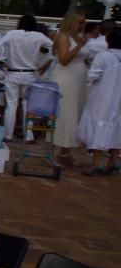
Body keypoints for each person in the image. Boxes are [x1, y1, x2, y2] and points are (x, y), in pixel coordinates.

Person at [0, 15, 53, 141]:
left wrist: (1, 61)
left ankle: (8, 134)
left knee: (11, 105)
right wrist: (48, 61)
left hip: (13, 72)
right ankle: (28, 135)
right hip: (30, 74)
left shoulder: (12, 34)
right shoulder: (39, 36)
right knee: (27, 105)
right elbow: (54, 46)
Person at [77, 28, 121, 176]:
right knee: (116, 129)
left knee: (99, 128)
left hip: (103, 98)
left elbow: (92, 77)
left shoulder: (103, 56)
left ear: (108, 40)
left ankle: (96, 163)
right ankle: (112, 162)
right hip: (118, 100)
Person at [49, 10, 89, 167]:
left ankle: (66, 152)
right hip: (65, 79)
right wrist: (79, 46)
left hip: (78, 80)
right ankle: (52, 152)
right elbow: (64, 59)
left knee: (74, 115)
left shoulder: (79, 38)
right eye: (80, 22)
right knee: (63, 114)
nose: (83, 25)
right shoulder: (64, 37)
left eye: (84, 22)